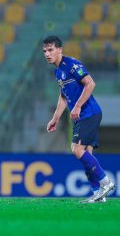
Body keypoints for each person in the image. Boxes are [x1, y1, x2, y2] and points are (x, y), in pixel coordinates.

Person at [42, 35, 115, 203]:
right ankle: (98, 193)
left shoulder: (72, 65)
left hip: (88, 113)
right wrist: (55, 118)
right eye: (45, 51)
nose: (47, 53)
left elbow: (90, 83)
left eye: (51, 50)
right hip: (83, 115)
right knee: (87, 155)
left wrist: (78, 106)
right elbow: (63, 96)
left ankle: (106, 182)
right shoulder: (58, 71)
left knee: (76, 149)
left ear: (60, 50)